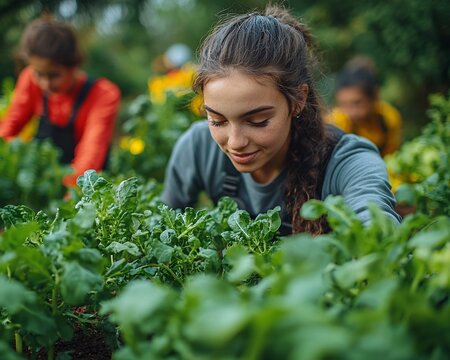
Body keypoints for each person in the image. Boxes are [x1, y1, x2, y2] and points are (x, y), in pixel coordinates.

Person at [161, 6, 401, 235]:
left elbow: (376, 229)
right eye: (217, 120)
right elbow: (165, 229)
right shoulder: (198, 147)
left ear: (298, 98)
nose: (235, 143)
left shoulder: (347, 162)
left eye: (258, 121)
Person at [0, 17, 121, 186]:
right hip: (45, 183)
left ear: (74, 66)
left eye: (54, 75)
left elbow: (91, 153)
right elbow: (9, 126)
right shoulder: (30, 79)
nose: (45, 83)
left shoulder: (103, 94)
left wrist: (66, 195)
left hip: (85, 186)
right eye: (39, 74)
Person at [327, 56, 403, 157]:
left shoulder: (389, 118)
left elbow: (391, 158)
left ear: (375, 96)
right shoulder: (336, 122)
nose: (351, 112)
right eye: (344, 104)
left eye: (357, 103)